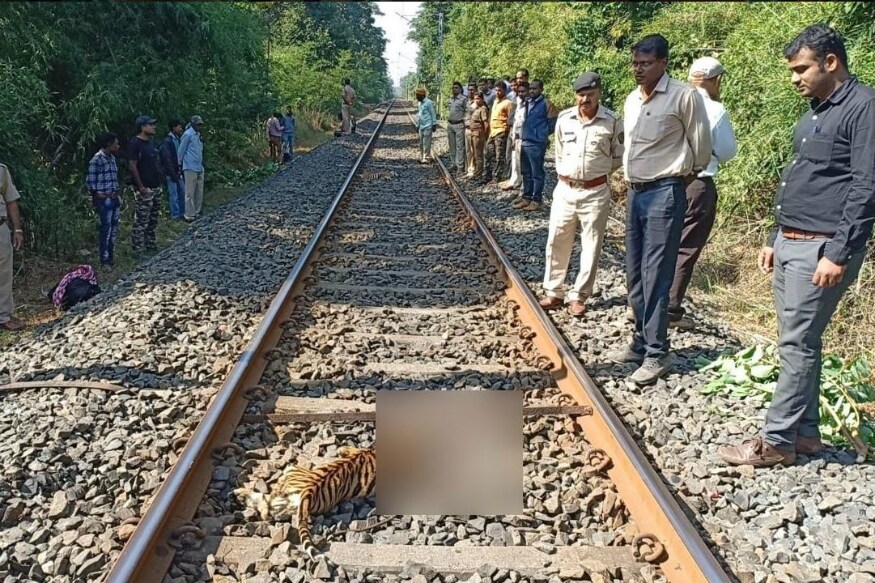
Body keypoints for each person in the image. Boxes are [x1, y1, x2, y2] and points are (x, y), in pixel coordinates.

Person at [720, 24, 875, 467]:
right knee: (801, 342)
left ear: (831, 62)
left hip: (822, 249)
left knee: (797, 342)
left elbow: (866, 187)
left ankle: (776, 441)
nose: (794, 78)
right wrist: (775, 236)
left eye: (801, 68)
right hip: (791, 242)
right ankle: (806, 434)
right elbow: (798, 178)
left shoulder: (864, 108)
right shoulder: (814, 111)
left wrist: (838, 253)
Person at [605, 34, 712, 386]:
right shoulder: (632, 100)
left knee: (656, 275)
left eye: (646, 63)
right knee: (634, 273)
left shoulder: (685, 96)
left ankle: (658, 351)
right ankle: (640, 341)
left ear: (664, 63)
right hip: (636, 193)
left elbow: (701, 149)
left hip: (666, 191)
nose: (638, 69)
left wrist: (678, 179)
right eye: (635, 63)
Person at [540, 72, 624, 317]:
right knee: (556, 239)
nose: (585, 99)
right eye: (581, 94)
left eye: (590, 93)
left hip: (596, 191)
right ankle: (553, 291)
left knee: (592, 245)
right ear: (575, 95)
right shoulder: (565, 119)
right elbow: (559, 151)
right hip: (565, 189)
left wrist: (595, 173)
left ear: (599, 93)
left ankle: (579, 295)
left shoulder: (611, 120)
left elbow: (618, 155)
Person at [666, 57, 738, 329]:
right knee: (686, 247)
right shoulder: (714, 109)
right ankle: (670, 309)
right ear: (715, 80)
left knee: (660, 243)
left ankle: (643, 305)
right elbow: (728, 151)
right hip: (697, 183)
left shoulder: (673, 99)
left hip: (665, 182)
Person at [514, 79, 555, 211]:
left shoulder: (546, 104)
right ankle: (527, 197)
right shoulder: (527, 102)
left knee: (537, 173)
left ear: (541, 89)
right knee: (526, 172)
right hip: (525, 141)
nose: (531, 91)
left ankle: (536, 200)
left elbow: (553, 123)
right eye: (530, 88)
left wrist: (541, 134)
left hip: (536, 143)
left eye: (534, 89)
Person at [126, 114, 164, 256]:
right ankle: (138, 249)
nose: (154, 127)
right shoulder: (135, 144)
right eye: (150, 124)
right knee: (142, 220)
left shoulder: (151, 143)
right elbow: (132, 165)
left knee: (153, 219)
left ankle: (150, 244)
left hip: (156, 186)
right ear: (143, 127)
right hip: (144, 187)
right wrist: (140, 186)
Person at [86, 132, 121, 266]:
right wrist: (98, 195)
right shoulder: (97, 160)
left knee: (114, 229)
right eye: (116, 143)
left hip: (114, 197)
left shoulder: (112, 158)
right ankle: (104, 259)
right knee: (106, 229)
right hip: (104, 199)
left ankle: (111, 256)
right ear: (109, 144)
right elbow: (90, 181)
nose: (118, 146)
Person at [0, 162, 24, 331]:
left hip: (0, 228)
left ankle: (3, 316)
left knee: (4, 273)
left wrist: (17, 229)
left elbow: (11, 200)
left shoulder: (1, 170)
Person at [481, 82, 512, 185]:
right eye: (496, 90)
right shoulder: (495, 101)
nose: (498, 92)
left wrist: (506, 131)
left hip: (501, 131)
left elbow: (509, 119)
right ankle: (487, 175)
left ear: (504, 90)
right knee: (488, 154)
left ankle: (497, 176)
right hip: (492, 132)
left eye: (500, 90)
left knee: (499, 156)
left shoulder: (508, 103)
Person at [178, 115, 205, 222]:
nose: (199, 126)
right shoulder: (187, 134)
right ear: (193, 123)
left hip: (199, 166)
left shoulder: (198, 135)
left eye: (200, 124)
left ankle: (197, 212)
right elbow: (181, 151)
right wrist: (179, 164)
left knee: (199, 190)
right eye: (198, 124)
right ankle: (189, 214)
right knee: (189, 191)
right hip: (189, 166)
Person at [159, 120, 185, 220]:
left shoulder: (178, 139)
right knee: (174, 194)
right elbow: (167, 158)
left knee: (182, 192)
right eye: (179, 127)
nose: (180, 129)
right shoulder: (168, 141)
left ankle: (182, 213)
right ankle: (175, 215)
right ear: (174, 128)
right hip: (171, 172)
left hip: (178, 171)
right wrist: (171, 172)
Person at [468, 92, 490, 180]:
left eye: (478, 98)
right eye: (475, 99)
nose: (476, 100)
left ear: (482, 99)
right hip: (474, 133)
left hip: (478, 134)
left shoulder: (483, 109)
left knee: (478, 154)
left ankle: (478, 174)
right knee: (474, 154)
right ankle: (476, 172)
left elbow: (486, 123)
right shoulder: (477, 109)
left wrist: (485, 135)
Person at [446, 82, 467, 173]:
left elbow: (467, 111)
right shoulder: (450, 99)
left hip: (459, 124)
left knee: (459, 146)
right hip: (450, 124)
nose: (454, 89)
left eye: (456, 88)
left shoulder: (463, 99)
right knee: (452, 146)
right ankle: (453, 163)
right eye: (453, 88)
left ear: (460, 89)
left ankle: (460, 165)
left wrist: (465, 122)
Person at [415, 87, 437, 163]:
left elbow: (433, 113)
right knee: (421, 143)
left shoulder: (429, 102)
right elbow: (420, 115)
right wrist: (418, 125)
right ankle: (422, 157)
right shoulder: (419, 103)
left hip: (428, 125)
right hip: (421, 125)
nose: (416, 97)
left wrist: (434, 124)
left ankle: (427, 158)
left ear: (422, 95)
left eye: (417, 95)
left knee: (426, 142)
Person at [464, 82, 478, 177]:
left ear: (476, 90)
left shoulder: (477, 102)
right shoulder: (466, 101)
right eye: (469, 90)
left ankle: (474, 169)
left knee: (475, 151)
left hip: (474, 130)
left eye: (472, 90)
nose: (470, 91)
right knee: (468, 150)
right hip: (466, 128)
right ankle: (469, 168)